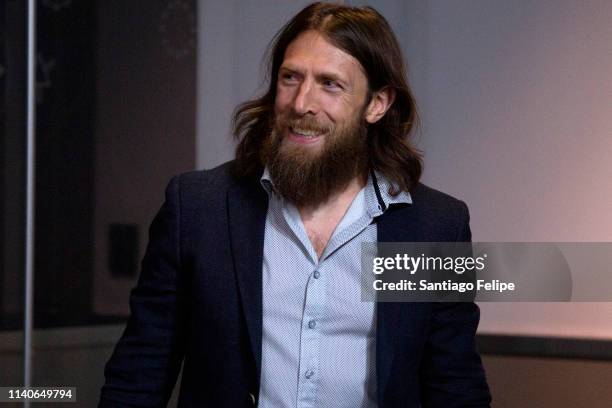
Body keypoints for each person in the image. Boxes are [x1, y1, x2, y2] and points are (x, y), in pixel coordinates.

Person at [99, 3, 491, 407]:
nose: (302, 102)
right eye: (290, 78)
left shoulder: (433, 228)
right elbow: (139, 375)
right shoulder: (199, 208)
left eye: (330, 84)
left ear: (377, 104)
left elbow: (455, 387)